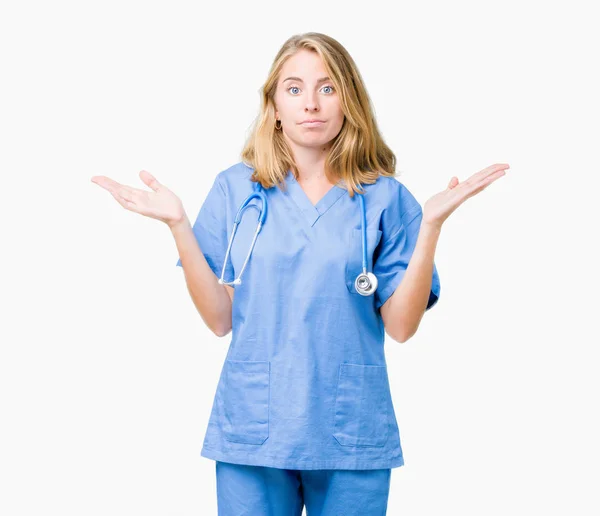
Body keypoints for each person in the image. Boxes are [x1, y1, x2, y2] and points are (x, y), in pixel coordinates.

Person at [92, 32, 508, 516]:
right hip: (255, 427)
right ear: (273, 105)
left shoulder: (386, 198)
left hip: (350, 429)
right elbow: (219, 319)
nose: (311, 104)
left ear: (349, 100)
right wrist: (177, 225)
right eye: (294, 89)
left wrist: (431, 226)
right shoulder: (236, 190)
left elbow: (401, 326)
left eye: (327, 88)